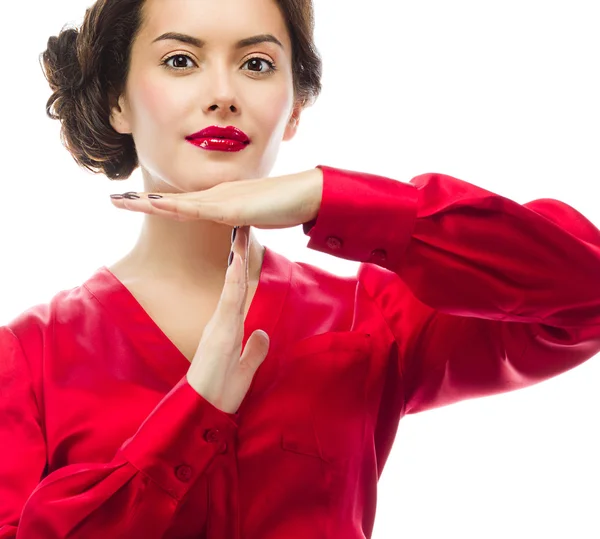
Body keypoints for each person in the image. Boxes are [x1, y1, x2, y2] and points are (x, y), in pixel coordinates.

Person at [1, 0, 599, 537]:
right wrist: (195, 413)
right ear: (117, 101)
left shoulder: (371, 321)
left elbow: (585, 294)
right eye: (181, 60)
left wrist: (330, 198)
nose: (223, 93)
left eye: (257, 64)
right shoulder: (26, 357)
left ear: (294, 108)